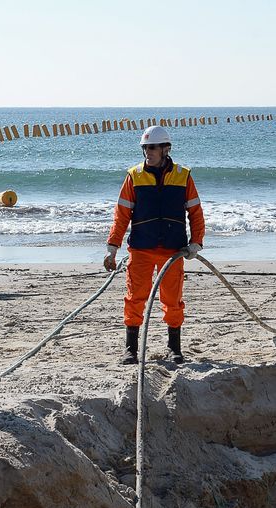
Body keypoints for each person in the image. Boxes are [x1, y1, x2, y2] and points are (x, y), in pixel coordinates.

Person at [103, 126, 205, 365]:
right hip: (141, 249)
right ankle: (131, 350)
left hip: (173, 250)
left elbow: (195, 212)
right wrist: (112, 247)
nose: (148, 152)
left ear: (165, 149)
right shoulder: (134, 176)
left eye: (153, 148)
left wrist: (196, 242)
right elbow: (122, 215)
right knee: (135, 298)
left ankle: (174, 348)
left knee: (173, 300)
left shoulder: (183, 176)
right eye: (146, 147)